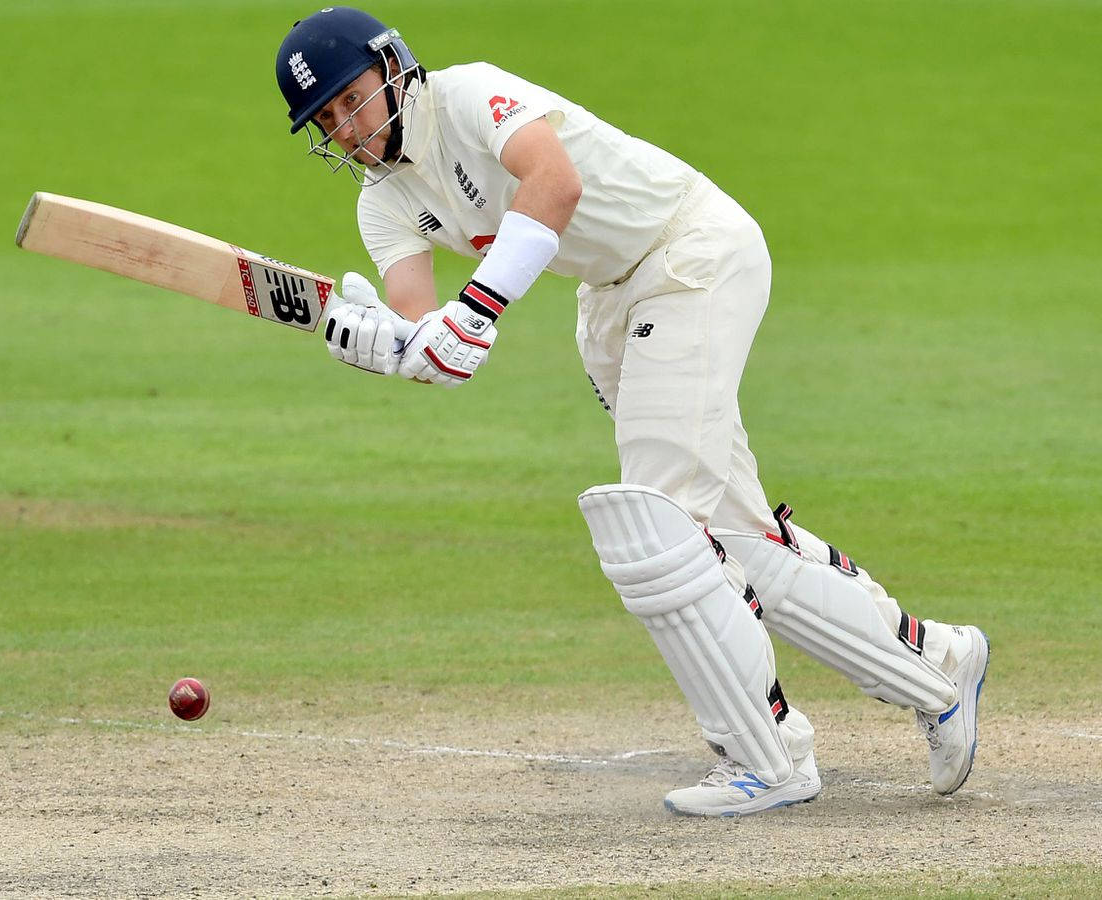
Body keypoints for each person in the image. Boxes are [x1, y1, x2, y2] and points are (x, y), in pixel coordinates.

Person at [273, 6, 990, 817]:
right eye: (325, 118)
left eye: (349, 98)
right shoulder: (382, 204)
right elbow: (434, 340)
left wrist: (475, 309)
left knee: (658, 527)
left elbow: (555, 183)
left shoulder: (470, 96)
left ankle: (769, 754)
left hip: (690, 251)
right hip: (613, 302)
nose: (345, 125)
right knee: (729, 532)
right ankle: (939, 668)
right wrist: (389, 346)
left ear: (391, 66)